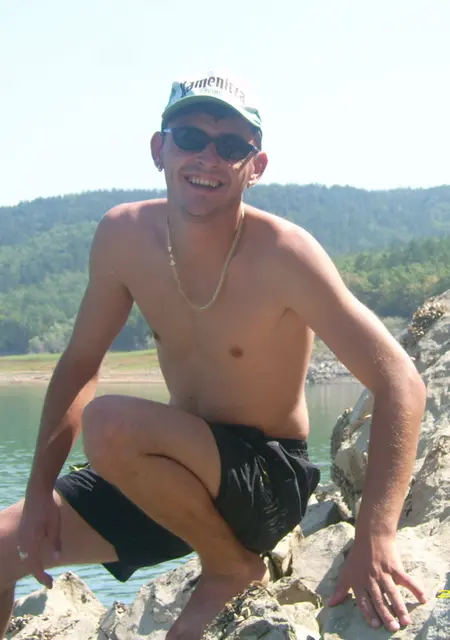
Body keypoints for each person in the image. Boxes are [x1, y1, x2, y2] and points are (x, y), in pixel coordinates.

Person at [0, 72, 427, 640]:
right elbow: (79, 365)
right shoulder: (123, 237)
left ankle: (230, 567)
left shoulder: (285, 255)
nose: (208, 157)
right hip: (165, 478)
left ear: (256, 165)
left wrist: (375, 534)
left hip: (266, 480)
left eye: (230, 146)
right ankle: (217, 556)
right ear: (159, 149)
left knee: (110, 422)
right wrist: (37, 494)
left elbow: (401, 381)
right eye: (189, 137)